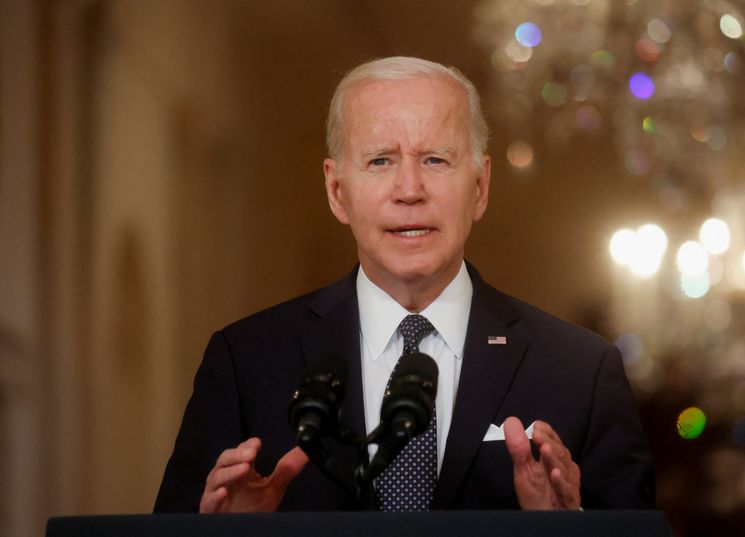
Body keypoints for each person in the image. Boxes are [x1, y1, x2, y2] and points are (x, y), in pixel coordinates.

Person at [154, 56, 655, 513]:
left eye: (435, 159)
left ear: (479, 188)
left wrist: (570, 532)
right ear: (337, 191)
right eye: (380, 161)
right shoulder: (245, 363)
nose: (410, 191)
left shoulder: (582, 372)